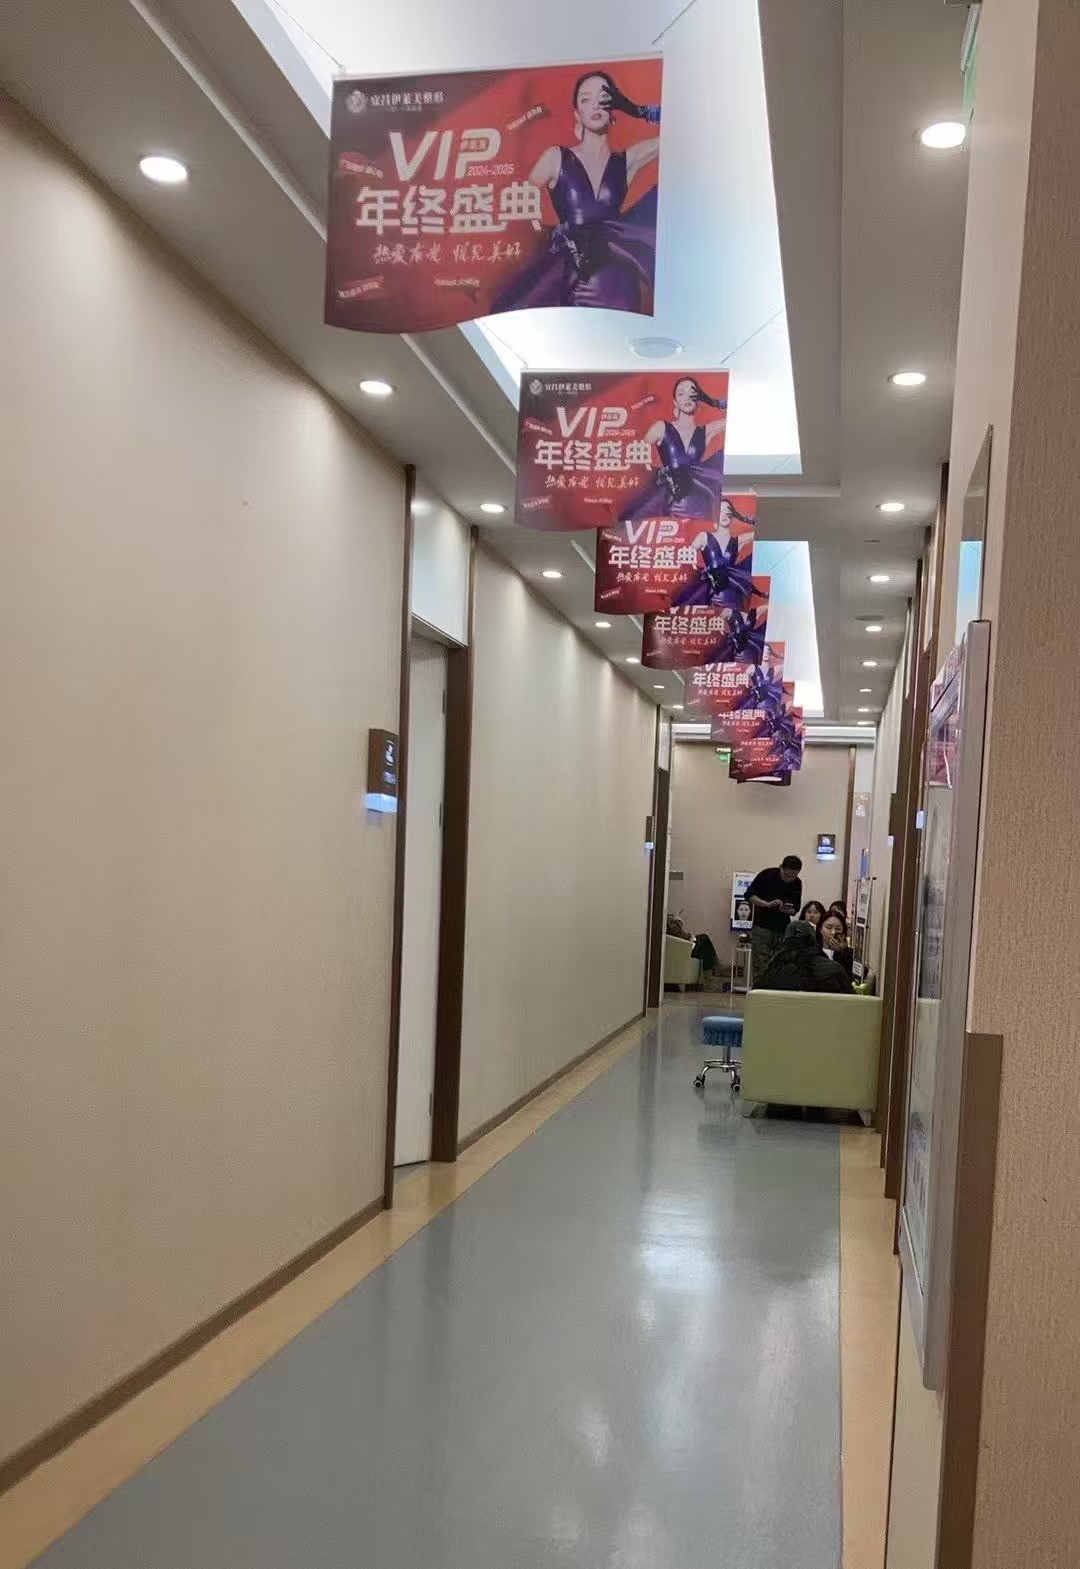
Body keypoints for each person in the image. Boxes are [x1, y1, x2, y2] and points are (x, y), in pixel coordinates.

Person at [494, 72, 660, 313]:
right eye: (585, 99)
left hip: (620, 284)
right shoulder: (555, 158)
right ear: (577, 114)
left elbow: (686, 130)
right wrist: (551, 234)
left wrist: (637, 110)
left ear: (614, 109)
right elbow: (514, 205)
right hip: (576, 279)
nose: (595, 105)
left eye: (604, 98)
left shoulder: (627, 161)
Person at [623, 378, 730, 523]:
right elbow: (635, 456)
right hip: (671, 505)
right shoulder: (661, 428)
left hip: (700, 506)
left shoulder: (705, 432)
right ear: (675, 402)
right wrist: (656, 474)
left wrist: (713, 402)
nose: (687, 397)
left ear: (698, 399)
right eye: (681, 393)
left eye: (692, 393)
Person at [744, 854, 803, 984]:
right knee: (760, 965)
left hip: (782, 928)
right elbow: (749, 895)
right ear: (781, 867)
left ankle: (776, 993)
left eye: (793, 876)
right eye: (786, 875)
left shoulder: (797, 883)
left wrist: (787, 910)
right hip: (762, 926)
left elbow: (796, 908)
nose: (789, 879)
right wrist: (766, 904)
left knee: (780, 965)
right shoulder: (767, 875)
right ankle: (759, 992)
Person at [756, 920, 854, 994]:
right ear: (813, 940)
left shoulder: (773, 970)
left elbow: (756, 998)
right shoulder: (834, 969)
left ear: (786, 941)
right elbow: (853, 1001)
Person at [820, 910, 854, 979]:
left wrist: (843, 952)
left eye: (838, 929)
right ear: (820, 929)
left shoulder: (849, 954)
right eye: (828, 927)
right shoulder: (814, 951)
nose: (833, 932)